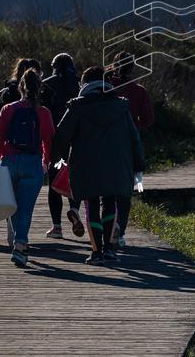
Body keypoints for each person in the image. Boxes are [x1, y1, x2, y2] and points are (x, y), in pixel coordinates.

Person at [53, 66, 146, 265]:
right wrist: (139, 165)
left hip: (86, 165)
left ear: (84, 84)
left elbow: (62, 135)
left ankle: (96, 252)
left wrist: (56, 160)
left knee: (92, 205)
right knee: (110, 203)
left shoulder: (77, 107)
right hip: (116, 165)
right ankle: (110, 249)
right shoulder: (121, 107)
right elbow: (134, 138)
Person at [0, 68, 54, 267]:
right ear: (39, 88)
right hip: (32, 163)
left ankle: (20, 244)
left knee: (13, 207)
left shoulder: (8, 109)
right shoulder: (43, 112)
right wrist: (46, 161)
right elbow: (49, 139)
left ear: (20, 87)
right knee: (26, 208)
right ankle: (20, 244)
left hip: (9, 161)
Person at [106, 51, 155, 248]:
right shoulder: (139, 91)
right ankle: (121, 230)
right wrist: (135, 126)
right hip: (127, 146)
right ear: (132, 68)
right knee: (125, 191)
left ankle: (107, 228)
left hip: (105, 144)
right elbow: (149, 119)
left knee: (106, 190)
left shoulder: (107, 88)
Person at [41, 52, 84, 239]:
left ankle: (57, 227)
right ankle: (74, 208)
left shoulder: (47, 84)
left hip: (54, 140)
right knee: (75, 178)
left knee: (54, 183)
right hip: (77, 140)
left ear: (54, 66)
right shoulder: (79, 85)